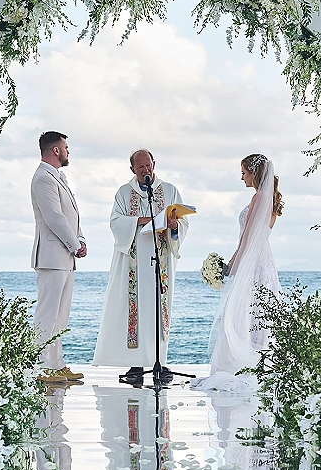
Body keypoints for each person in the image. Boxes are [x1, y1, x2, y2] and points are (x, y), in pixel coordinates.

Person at [93, 149, 189, 385]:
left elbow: (183, 222)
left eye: (148, 165)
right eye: (140, 167)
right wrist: (143, 221)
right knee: (135, 310)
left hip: (161, 259)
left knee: (159, 309)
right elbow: (115, 222)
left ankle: (161, 362)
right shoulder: (124, 193)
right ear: (132, 169)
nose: (146, 170)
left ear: (154, 164)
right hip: (133, 262)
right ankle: (136, 364)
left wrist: (174, 226)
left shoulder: (169, 190)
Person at [192, 154, 283, 394]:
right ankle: (263, 364)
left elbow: (247, 237)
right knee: (259, 313)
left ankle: (241, 365)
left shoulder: (258, 198)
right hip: (265, 262)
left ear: (254, 173)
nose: (241, 177)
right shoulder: (271, 200)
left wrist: (233, 263)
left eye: (243, 172)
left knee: (241, 313)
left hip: (253, 263)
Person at [31, 131, 87, 383]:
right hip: (52, 256)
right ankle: (40, 367)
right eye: (65, 147)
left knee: (60, 316)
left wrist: (81, 239)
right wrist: (74, 245)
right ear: (55, 150)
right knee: (47, 314)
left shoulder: (58, 178)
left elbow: (71, 215)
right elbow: (54, 217)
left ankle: (56, 364)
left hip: (65, 257)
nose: (68, 152)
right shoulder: (43, 177)